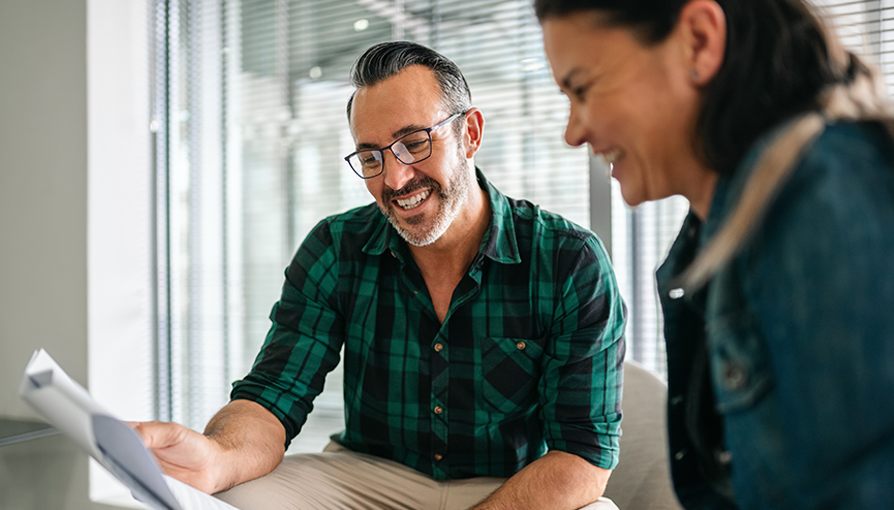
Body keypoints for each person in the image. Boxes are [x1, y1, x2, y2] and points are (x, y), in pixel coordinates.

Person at [133, 41, 627, 510]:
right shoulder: (336, 246)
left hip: (512, 484)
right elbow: (272, 395)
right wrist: (216, 460)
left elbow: (584, 456)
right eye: (371, 156)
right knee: (235, 499)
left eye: (413, 142)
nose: (395, 179)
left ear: (470, 134)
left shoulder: (568, 259)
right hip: (369, 475)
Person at [535, 0, 894, 509]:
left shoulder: (826, 204)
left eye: (584, 89)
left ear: (699, 41)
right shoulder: (721, 230)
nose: (574, 132)